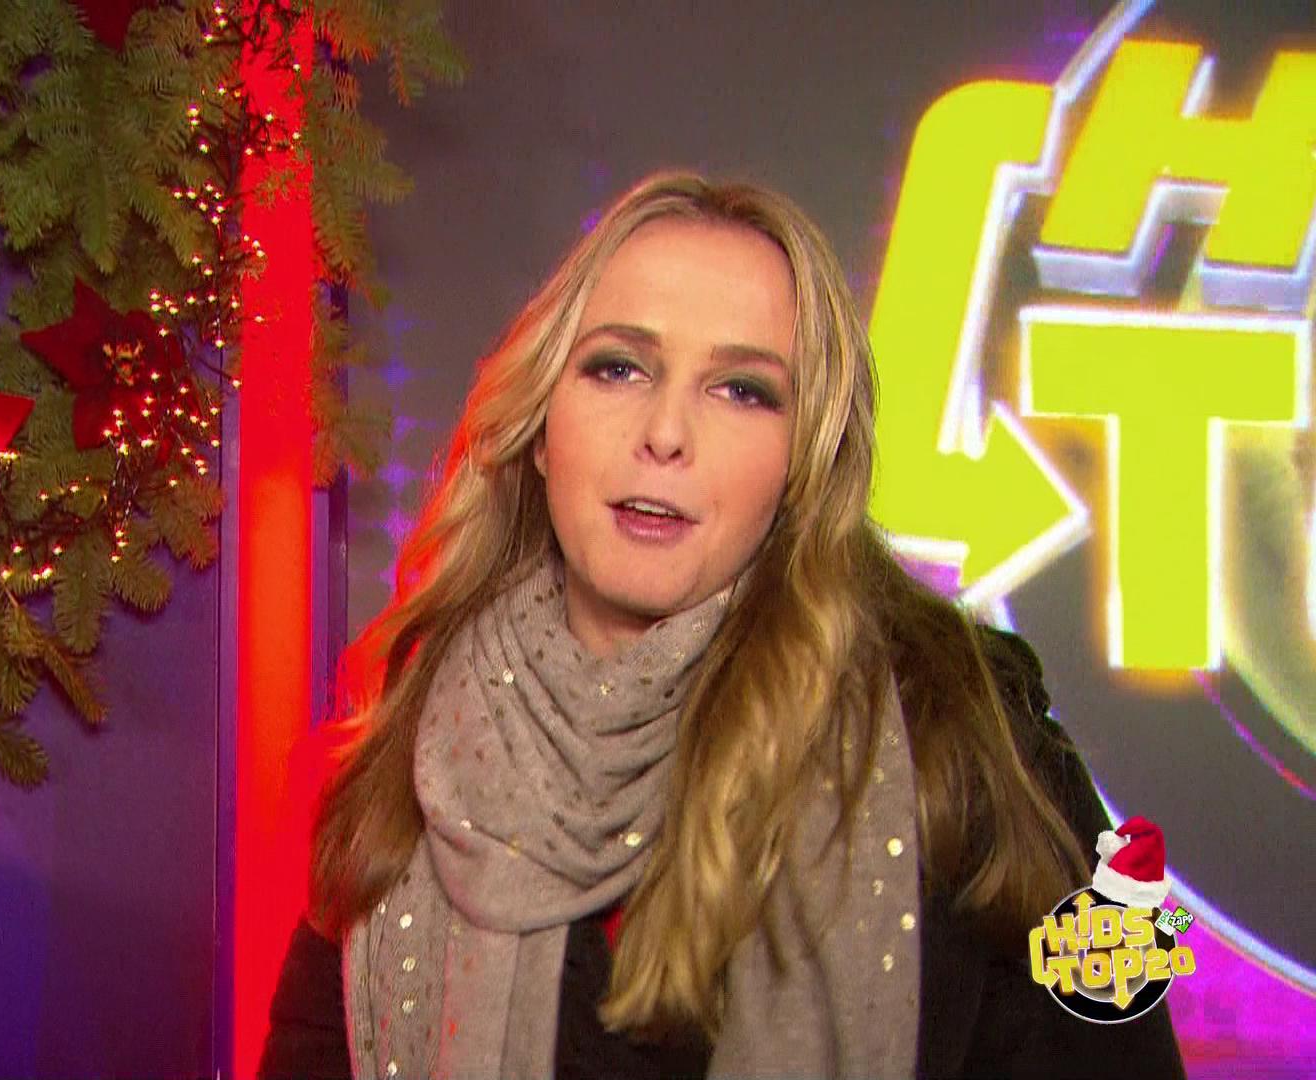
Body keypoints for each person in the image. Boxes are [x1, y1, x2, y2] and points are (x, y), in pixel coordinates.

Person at [257, 171, 1189, 1079]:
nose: (665, 432)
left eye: (742, 389)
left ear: (802, 462)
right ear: (541, 427)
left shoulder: (965, 729)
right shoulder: (420, 750)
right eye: (617, 368)